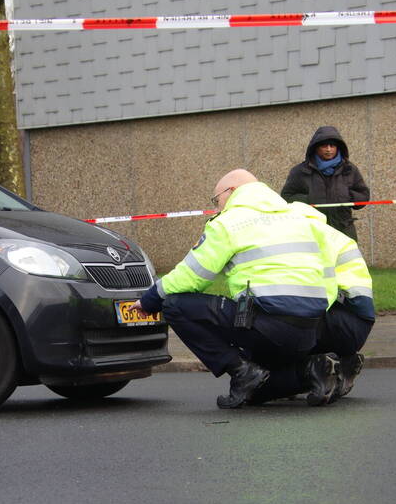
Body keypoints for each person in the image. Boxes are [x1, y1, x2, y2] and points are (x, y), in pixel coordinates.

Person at [132, 169, 335, 409]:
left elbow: (193, 275)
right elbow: (327, 274)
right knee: (255, 393)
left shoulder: (230, 222)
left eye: (216, 200)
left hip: (269, 324)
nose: (216, 208)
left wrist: (150, 299)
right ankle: (310, 370)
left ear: (232, 191)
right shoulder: (299, 218)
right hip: (311, 328)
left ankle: (240, 370)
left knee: (174, 305)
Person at [250, 207, 376, 406]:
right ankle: (343, 365)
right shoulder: (335, 235)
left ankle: (313, 373)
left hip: (336, 318)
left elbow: (321, 295)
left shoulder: (307, 239)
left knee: (285, 332)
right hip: (359, 323)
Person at [280, 126, 370, 240]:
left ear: (338, 148)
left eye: (332, 146)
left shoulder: (349, 169)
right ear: (316, 148)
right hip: (312, 232)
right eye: (324, 146)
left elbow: (363, 196)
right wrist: (309, 199)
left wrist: (346, 197)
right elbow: (286, 197)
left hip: (344, 231)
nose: (328, 149)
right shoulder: (300, 171)